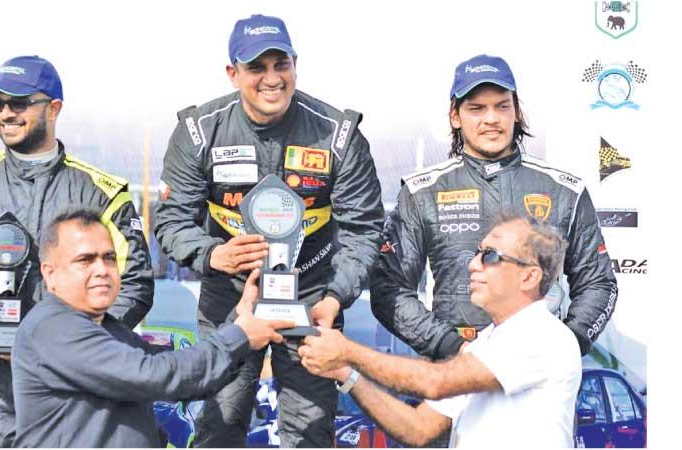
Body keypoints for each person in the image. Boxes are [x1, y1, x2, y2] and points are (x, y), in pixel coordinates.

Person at [154, 14, 384, 447]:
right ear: (233, 73)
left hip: (314, 293)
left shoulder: (338, 135)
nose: (272, 79)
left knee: (312, 431)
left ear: (296, 64)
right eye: (257, 68)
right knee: (220, 423)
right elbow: (171, 220)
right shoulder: (199, 132)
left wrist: (336, 297)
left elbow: (364, 230)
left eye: (282, 65)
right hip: (231, 294)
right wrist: (210, 255)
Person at [0, 55, 153, 447]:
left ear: (54, 108)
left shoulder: (102, 192)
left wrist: (73, 340)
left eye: (19, 103)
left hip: (71, 388)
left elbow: (135, 283)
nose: (5, 113)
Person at [371, 54, 617, 362]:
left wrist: (564, 347)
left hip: (539, 371)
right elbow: (388, 289)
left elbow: (598, 283)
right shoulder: (423, 192)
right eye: (476, 108)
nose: (492, 118)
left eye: (502, 106)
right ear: (455, 116)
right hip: (454, 372)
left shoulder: (565, 190)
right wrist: (452, 348)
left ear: (516, 113)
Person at [12, 209, 293, 447]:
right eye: (85, 260)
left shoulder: (108, 329)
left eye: (109, 258)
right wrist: (239, 335)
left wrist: (238, 318)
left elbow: (183, 381)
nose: (102, 269)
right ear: (50, 274)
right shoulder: (53, 328)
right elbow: (157, 375)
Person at [299, 214, 583, 447]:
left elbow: (434, 383)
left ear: (529, 276)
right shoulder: (487, 343)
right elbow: (419, 428)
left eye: (490, 256)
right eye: (476, 253)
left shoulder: (542, 336)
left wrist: (347, 350)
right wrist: (346, 373)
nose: (472, 265)